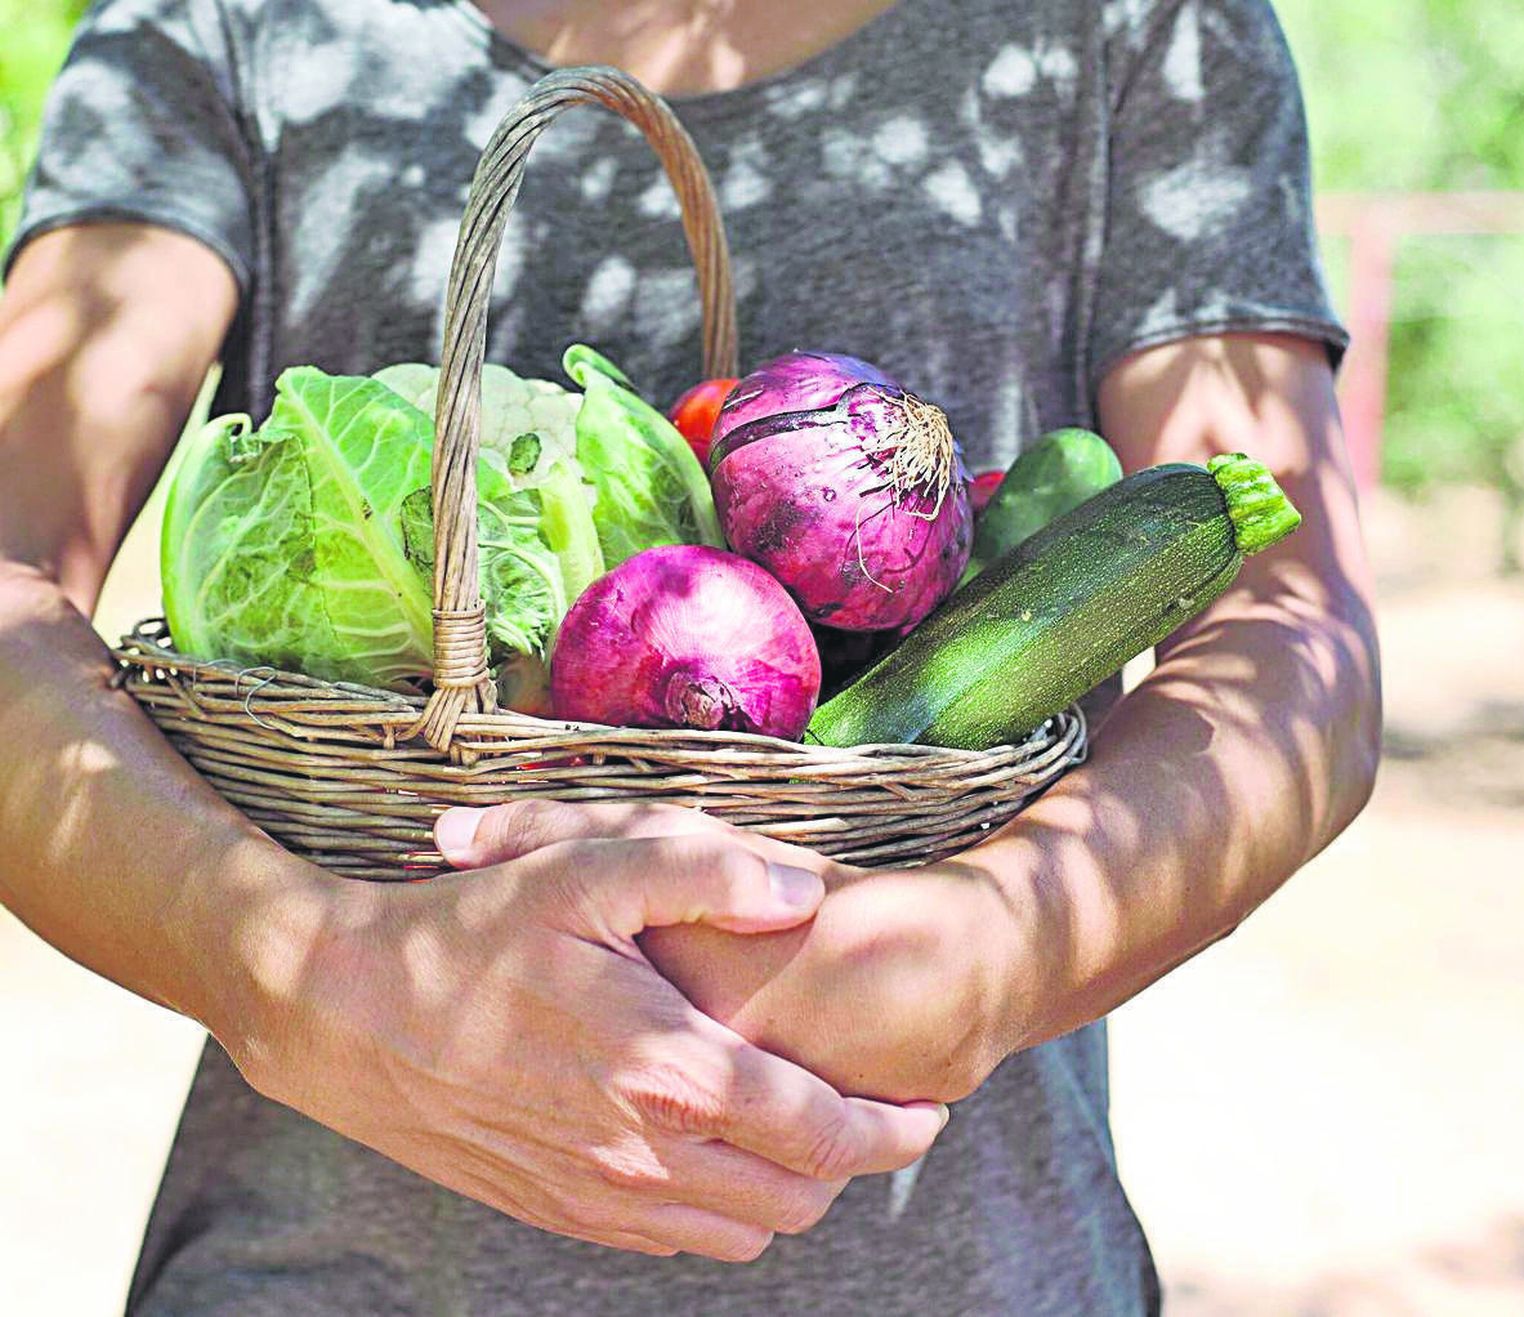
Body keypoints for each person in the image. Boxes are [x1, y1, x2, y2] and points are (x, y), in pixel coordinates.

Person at [0, 0, 1380, 1311]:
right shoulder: (238, 24)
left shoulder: (1132, 31)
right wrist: (298, 970)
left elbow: (1294, 631)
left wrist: (995, 952)